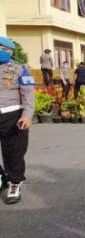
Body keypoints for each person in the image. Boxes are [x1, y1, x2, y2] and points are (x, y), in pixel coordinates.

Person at [0, 37, 34, 204]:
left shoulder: (20, 69)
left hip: (12, 115)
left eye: (2, 48)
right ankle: (2, 178)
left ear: (10, 51)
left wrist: (27, 115)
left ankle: (15, 183)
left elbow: (28, 95)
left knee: (13, 151)